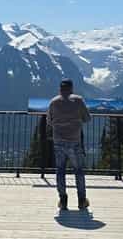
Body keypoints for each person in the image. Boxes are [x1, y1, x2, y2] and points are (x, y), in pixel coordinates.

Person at [47, 78, 92, 210]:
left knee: (60, 170)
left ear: (60, 89)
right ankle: (82, 200)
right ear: (71, 88)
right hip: (74, 141)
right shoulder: (78, 100)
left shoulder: (54, 102)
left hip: (58, 141)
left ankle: (63, 200)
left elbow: (49, 121)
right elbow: (87, 118)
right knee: (78, 170)